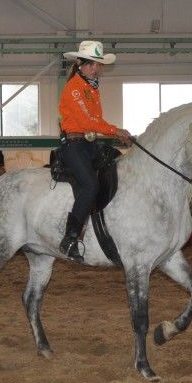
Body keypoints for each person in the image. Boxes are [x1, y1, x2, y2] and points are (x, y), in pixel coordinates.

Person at [57, 40, 132, 262]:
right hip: (74, 145)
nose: (95, 68)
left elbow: (95, 120)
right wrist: (115, 131)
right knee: (90, 184)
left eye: (97, 65)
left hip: (89, 144)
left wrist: (114, 133)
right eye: (90, 64)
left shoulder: (92, 87)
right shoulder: (74, 89)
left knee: (116, 164)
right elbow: (89, 121)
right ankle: (70, 237)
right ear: (79, 63)